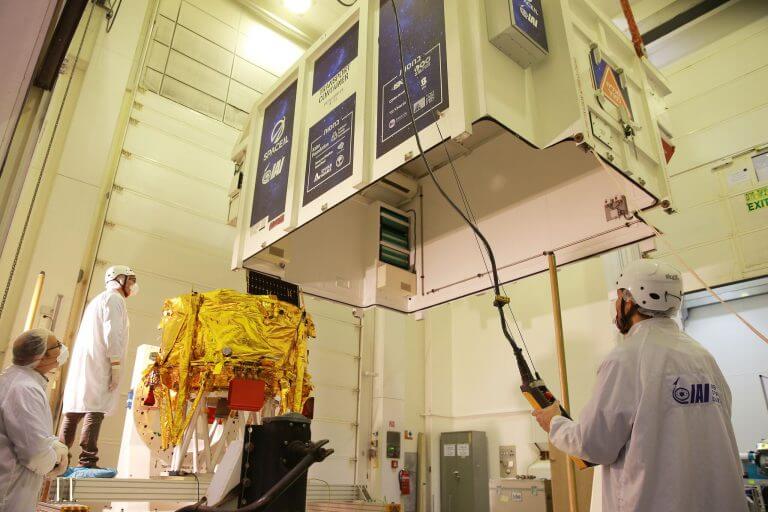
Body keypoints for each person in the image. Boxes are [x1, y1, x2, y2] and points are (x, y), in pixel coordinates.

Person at [532, 260, 747, 512]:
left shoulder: (625, 359)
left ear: (629, 300)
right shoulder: (702, 357)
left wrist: (555, 423)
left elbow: (593, 445)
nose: (616, 306)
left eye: (619, 296)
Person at [60, 265, 137, 469]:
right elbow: (113, 333)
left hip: (87, 360)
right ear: (119, 279)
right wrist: (115, 364)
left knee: (76, 407)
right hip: (101, 361)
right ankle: (88, 460)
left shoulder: (98, 299)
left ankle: (59, 458)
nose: (133, 285)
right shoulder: (114, 299)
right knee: (95, 408)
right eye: (130, 280)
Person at [0, 328, 70, 511]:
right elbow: (35, 453)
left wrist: (53, 444)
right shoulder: (25, 389)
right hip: (10, 495)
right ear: (42, 357)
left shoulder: (15, 380)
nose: (62, 348)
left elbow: (31, 433)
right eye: (57, 345)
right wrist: (56, 460)